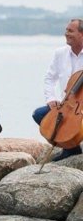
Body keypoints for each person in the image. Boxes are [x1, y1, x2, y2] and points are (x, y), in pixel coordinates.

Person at [32, 18, 83, 161]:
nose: (66, 33)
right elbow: (50, 78)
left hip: (80, 108)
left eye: (70, 31)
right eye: (66, 30)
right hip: (67, 105)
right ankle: (71, 148)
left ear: (81, 34)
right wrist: (51, 98)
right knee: (39, 114)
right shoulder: (60, 53)